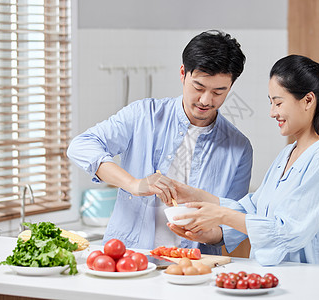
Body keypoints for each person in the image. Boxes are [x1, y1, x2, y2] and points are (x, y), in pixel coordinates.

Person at [67, 30, 253, 255]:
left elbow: (235, 222)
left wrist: (208, 234)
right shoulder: (143, 115)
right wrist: (134, 184)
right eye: (199, 87)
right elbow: (81, 145)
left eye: (218, 92)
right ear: (183, 74)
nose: (206, 100)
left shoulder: (239, 149)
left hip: (192, 266)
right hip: (129, 258)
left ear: (230, 87)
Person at [167, 54, 319, 266]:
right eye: (271, 103)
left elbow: (288, 233)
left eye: (278, 103)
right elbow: (254, 208)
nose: (272, 112)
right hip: (280, 279)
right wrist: (198, 198)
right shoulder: (288, 154)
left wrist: (221, 216)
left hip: (312, 283)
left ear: (308, 100)